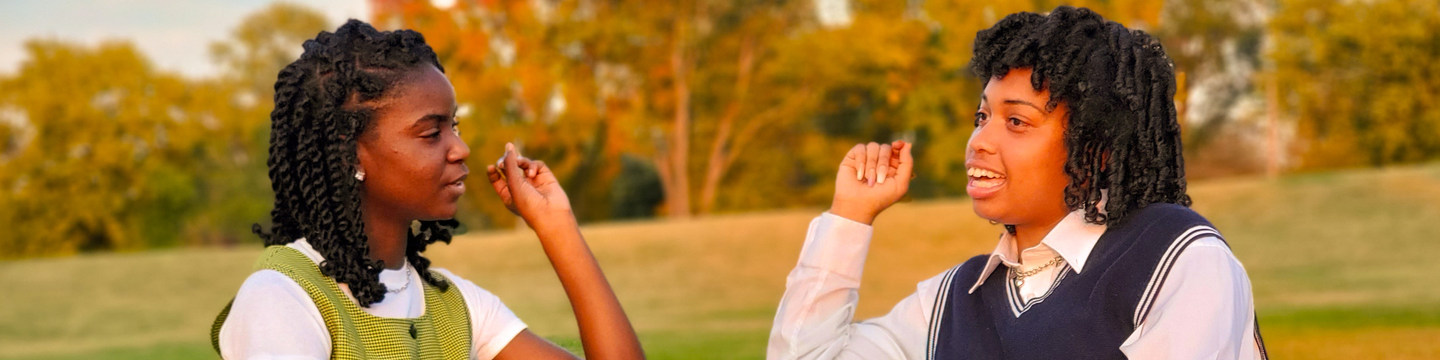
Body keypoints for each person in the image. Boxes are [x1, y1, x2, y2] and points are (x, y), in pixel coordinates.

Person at [767, 6, 1267, 359]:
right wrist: (848, 217)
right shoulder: (952, 302)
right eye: (981, 116)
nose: (979, 141)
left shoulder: (1174, 256)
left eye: (1017, 122)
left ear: (1097, 145)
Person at [211, 20, 644, 360]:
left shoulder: (456, 306)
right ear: (350, 156)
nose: (460, 148)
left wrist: (557, 225)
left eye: (453, 125)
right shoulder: (282, 297)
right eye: (430, 132)